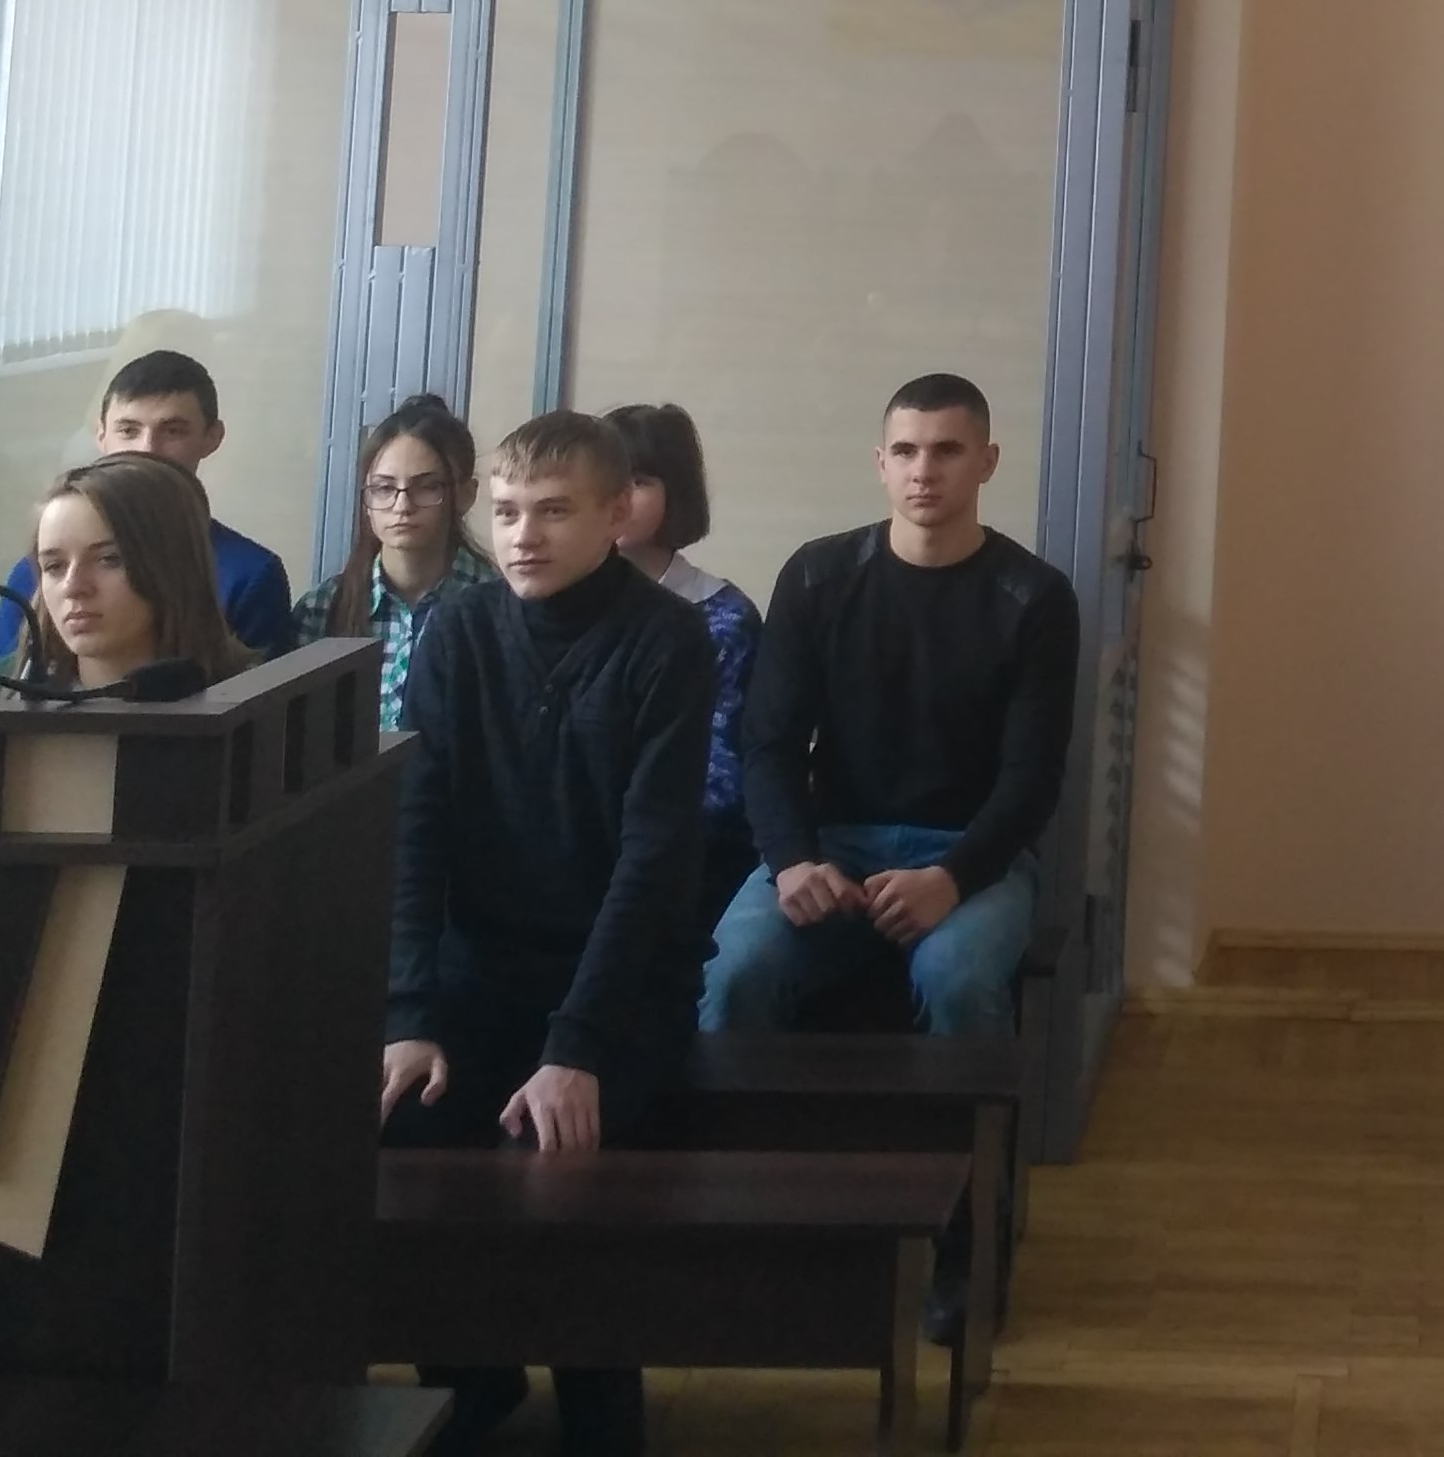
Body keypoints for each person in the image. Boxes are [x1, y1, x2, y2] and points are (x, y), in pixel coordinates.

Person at [380, 409, 717, 1457]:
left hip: (618, 988)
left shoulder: (667, 639)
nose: (523, 535)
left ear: (617, 516)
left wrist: (577, 1047)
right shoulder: (459, 632)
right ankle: (468, 1386)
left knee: (565, 1165)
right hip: (479, 974)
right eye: (508, 511)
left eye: (554, 512)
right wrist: (409, 1014)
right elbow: (419, 828)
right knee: (406, 1132)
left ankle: (599, 1419)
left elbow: (653, 860)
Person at [703, 375, 1076, 1042]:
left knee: (957, 980)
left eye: (947, 450)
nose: (923, 470)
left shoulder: (1035, 596)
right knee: (736, 972)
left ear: (987, 461)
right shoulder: (816, 576)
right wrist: (791, 860)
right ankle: (748, 1118)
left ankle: (973, 1118)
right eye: (905, 451)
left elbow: (1034, 775)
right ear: (881, 463)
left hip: (969, 851)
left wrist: (952, 878)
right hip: (833, 844)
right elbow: (770, 743)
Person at [0, 351, 296, 657]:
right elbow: (5, 680)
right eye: (128, 431)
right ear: (100, 434)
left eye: (173, 431)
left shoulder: (248, 574)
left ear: (212, 436)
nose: (146, 449)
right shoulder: (34, 575)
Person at [603, 400, 762, 948]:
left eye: (639, 481)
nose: (619, 498)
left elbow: (723, 775)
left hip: (685, 863)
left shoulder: (724, 617)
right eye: (608, 481)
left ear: (677, 492)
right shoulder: (557, 606)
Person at [305, 395, 485, 734]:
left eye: (426, 487)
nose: (402, 505)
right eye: (384, 488)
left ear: (466, 494)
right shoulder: (322, 608)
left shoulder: (498, 606)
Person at [15, 455, 253, 692]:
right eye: (54, 566)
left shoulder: (256, 704)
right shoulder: (4, 695)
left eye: (108, 559)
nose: (73, 587)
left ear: (171, 566)